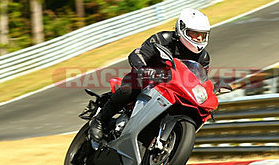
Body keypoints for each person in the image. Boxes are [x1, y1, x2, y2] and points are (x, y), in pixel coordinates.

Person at [89, 8, 211, 142]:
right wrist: (143, 69)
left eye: (202, 35)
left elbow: (200, 79)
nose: (199, 38)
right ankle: (99, 120)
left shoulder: (203, 57)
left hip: (175, 90)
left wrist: (212, 90)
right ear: (182, 29)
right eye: (194, 33)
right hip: (147, 80)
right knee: (130, 88)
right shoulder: (163, 39)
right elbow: (138, 54)